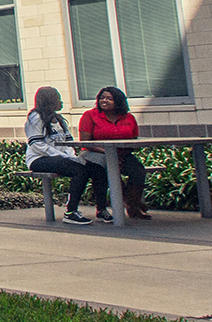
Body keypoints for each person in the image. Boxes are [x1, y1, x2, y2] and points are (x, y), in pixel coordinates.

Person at [24, 86, 108, 224]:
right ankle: (70, 212)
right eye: (58, 98)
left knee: (97, 168)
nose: (61, 101)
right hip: (39, 159)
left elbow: (69, 143)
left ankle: (101, 210)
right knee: (79, 170)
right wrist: (61, 156)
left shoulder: (59, 119)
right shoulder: (35, 118)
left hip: (62, 159)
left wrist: (72, 157)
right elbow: (36, 144)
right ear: (50, 100)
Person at [79, 86, 150, 220]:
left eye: (109, 99)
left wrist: (121, 155)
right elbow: (86, 142)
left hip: (122, 155)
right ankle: (132, 204)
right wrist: (109, 153)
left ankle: (132, 203)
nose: (104, 101)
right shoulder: (90, 115)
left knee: (138, 170)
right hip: (95, 154)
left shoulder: (128, 118)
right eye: (102, 98)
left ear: (118, 101)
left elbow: (133, 139)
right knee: (110, 167)